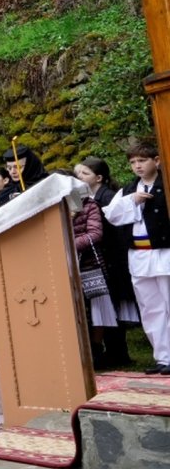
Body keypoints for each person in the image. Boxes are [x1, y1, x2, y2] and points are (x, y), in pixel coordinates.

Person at [101, 140, 169, 374]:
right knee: (151, 308)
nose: (137, 166)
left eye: (142, 160)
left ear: (156, 161)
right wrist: (133, 200)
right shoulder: (129, 189)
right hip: (139, 256)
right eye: (133, 162)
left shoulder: (165, 184)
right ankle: (163, 357)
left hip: (165, 252)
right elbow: (111, 215)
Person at [74, 156, 137, 367]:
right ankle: (111, 353)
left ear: (99, 178)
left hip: (111, 257)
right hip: (102, 256)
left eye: (84, 173)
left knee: (112, 308)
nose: (79, 177)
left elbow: (112, 230)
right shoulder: (87, 198)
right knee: (107, 308)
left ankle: (118, 353)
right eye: (78, 173)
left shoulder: (107, 197)